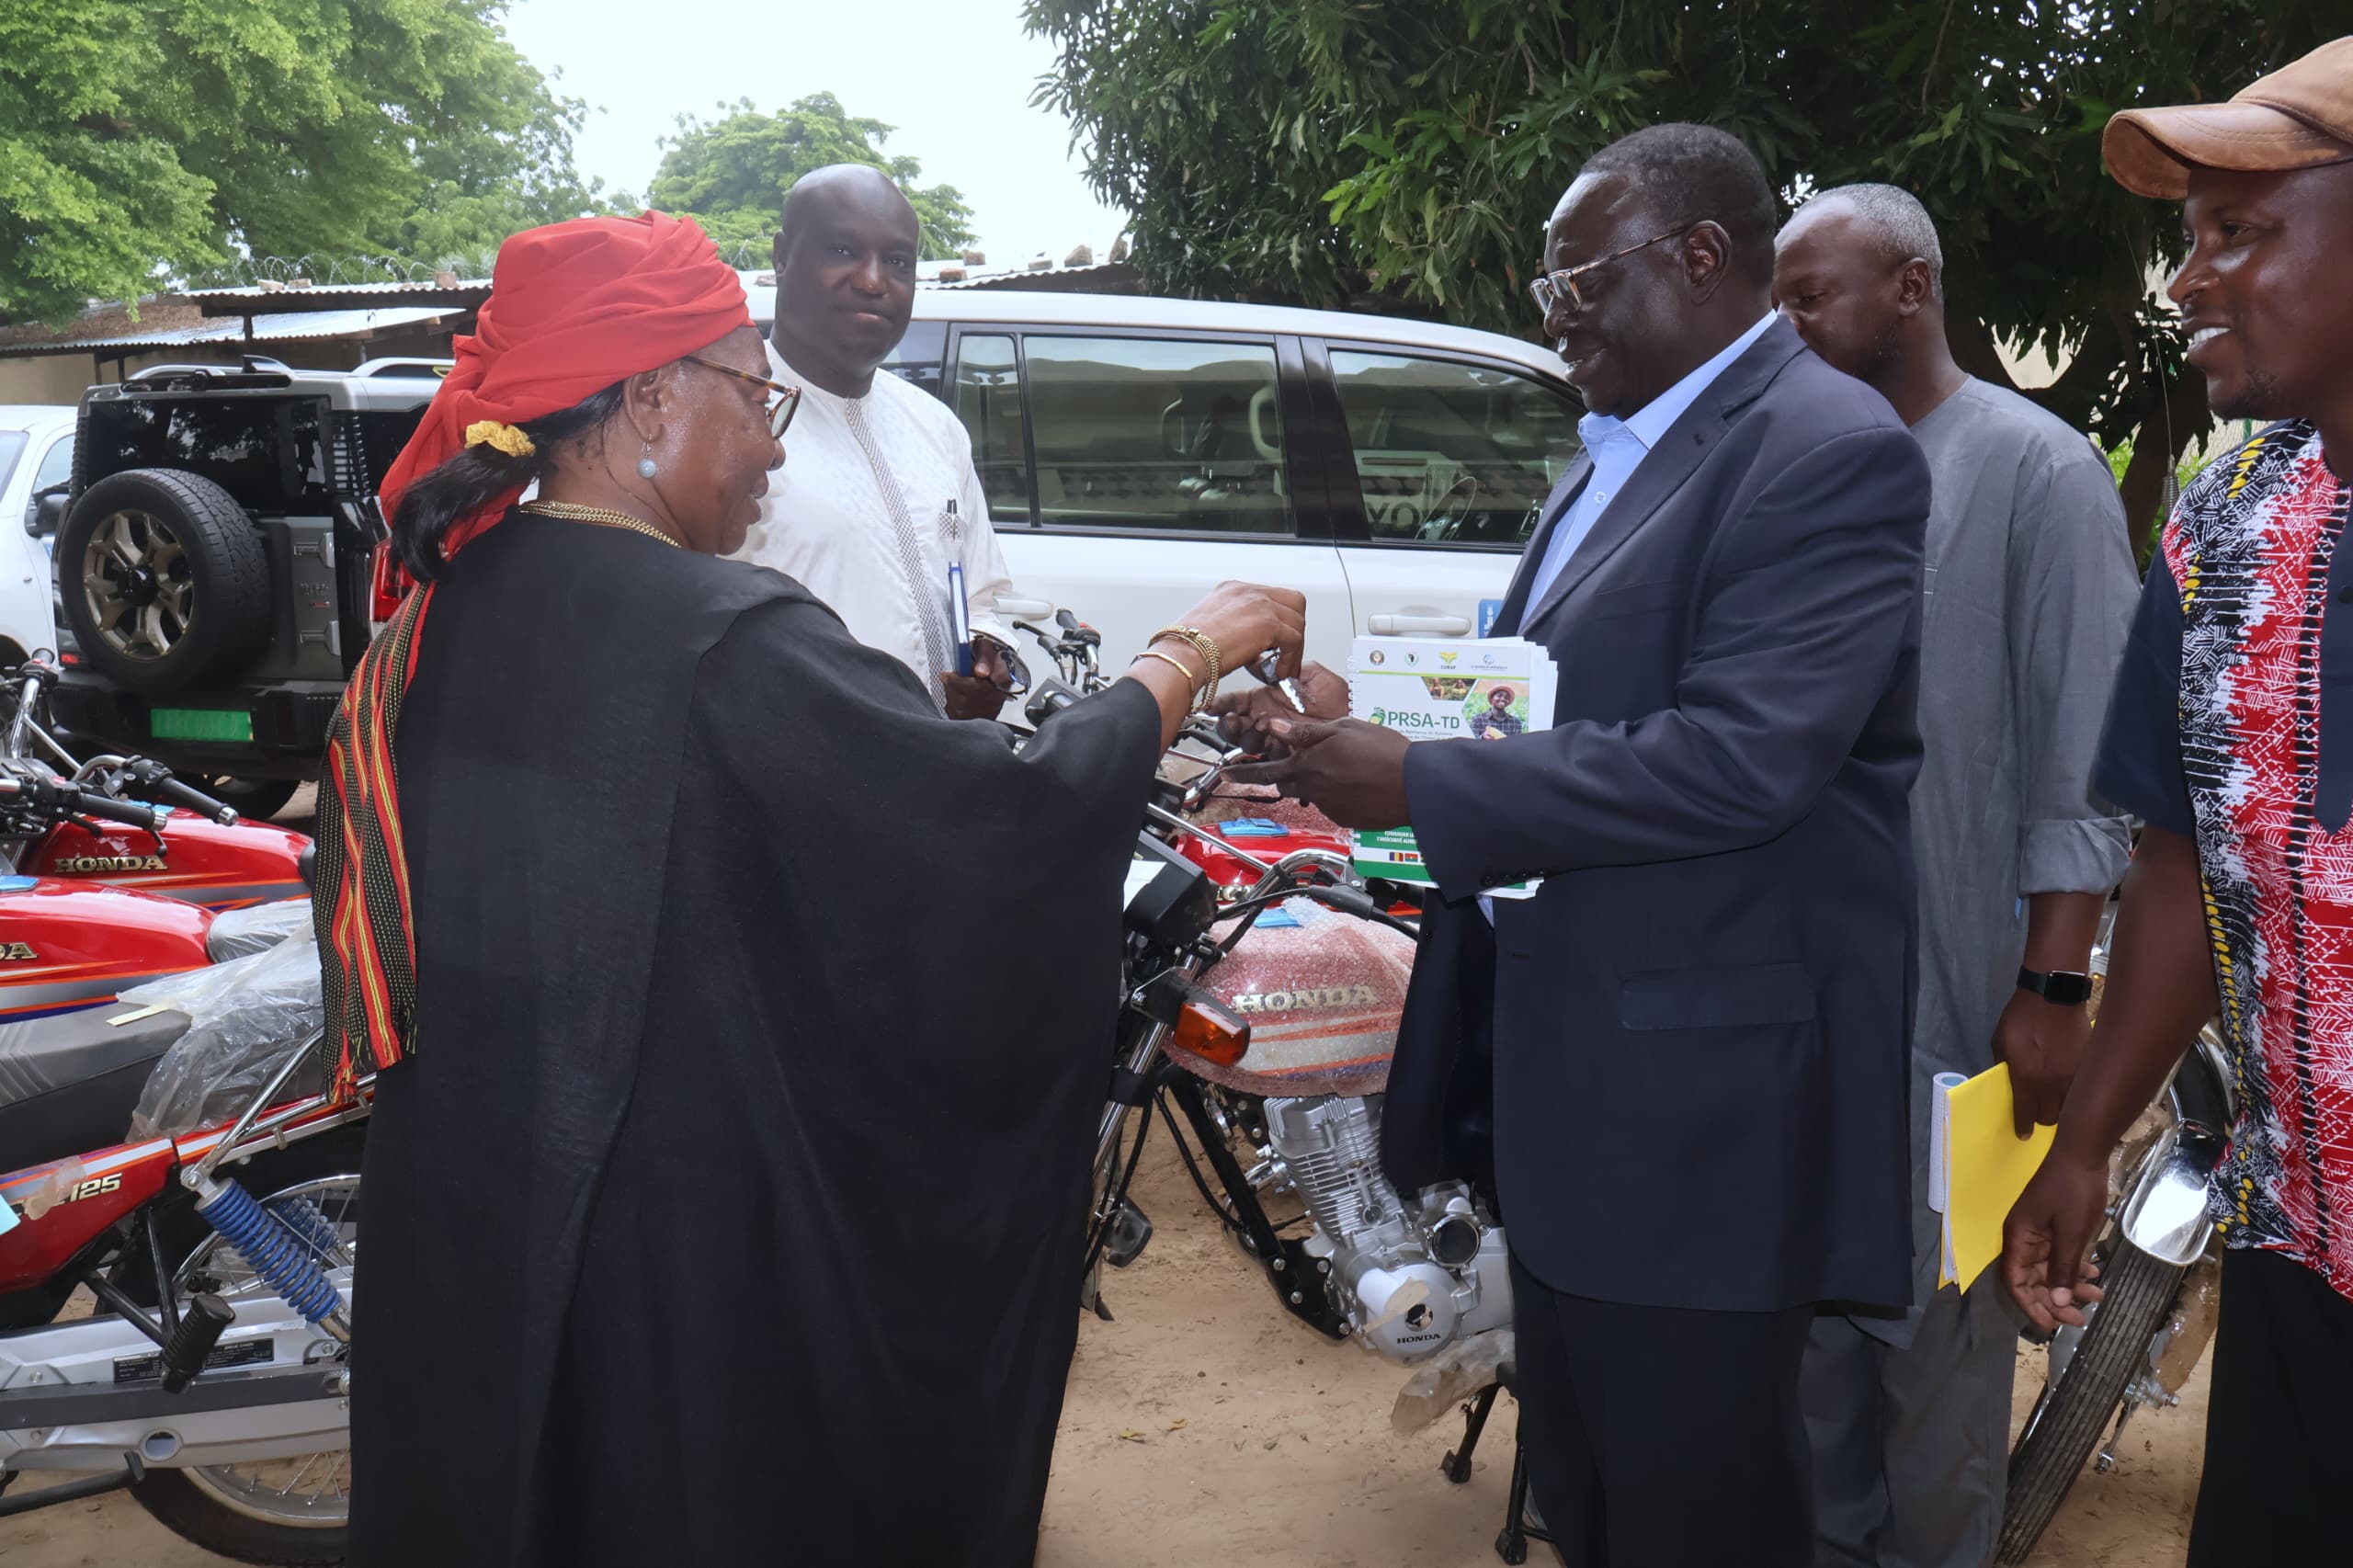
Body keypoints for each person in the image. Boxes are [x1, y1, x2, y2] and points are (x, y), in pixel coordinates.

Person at [319, 210, 1304, 1567]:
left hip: (473, 1219)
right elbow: (1001, 828)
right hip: (670, 1241)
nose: (777, 442)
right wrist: (1193, 651)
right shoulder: (723, 640)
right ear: (653, 399)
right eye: (755, 395)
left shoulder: (434, 619)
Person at [1222, 123, 1930, 1565]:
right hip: (1580, 1095)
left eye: (1579, 274)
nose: (1554, 307)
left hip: (1698, 1113)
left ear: (1701, 255)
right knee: (1595, 1501)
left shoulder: (1828, 450)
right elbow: (1549, 703)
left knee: (1698, 1514)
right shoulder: (1615, 451)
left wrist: (1422, 782)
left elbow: (1744, 762)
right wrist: (1355, 732)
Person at [2002, 37, 2353, 1563]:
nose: (2189, 281)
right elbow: (2174, 864)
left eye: (2241, 234)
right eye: (2189, 237)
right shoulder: (2227, 518)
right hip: (2302, 1257)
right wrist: (2086, 1142)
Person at [1774, 184, 2138, 1568]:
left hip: (1966, 1009)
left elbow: (2082, 757)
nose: (1789, 323)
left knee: (1937, 1378)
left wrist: (2053, 982)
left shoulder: (2035, 470)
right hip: (1813, 1007)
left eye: (1814, 294)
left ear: (1912, 289)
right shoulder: (1808, 471)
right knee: (1814, 1380)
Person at [728, 163, 1021, 720]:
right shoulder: (727, 416)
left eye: (898, 261)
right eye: (841, 250)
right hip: (787, 779)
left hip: (935, 770)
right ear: (782, 255)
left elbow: (983, 596)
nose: (872, 280)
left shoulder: (934, 427)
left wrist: (987, 657)